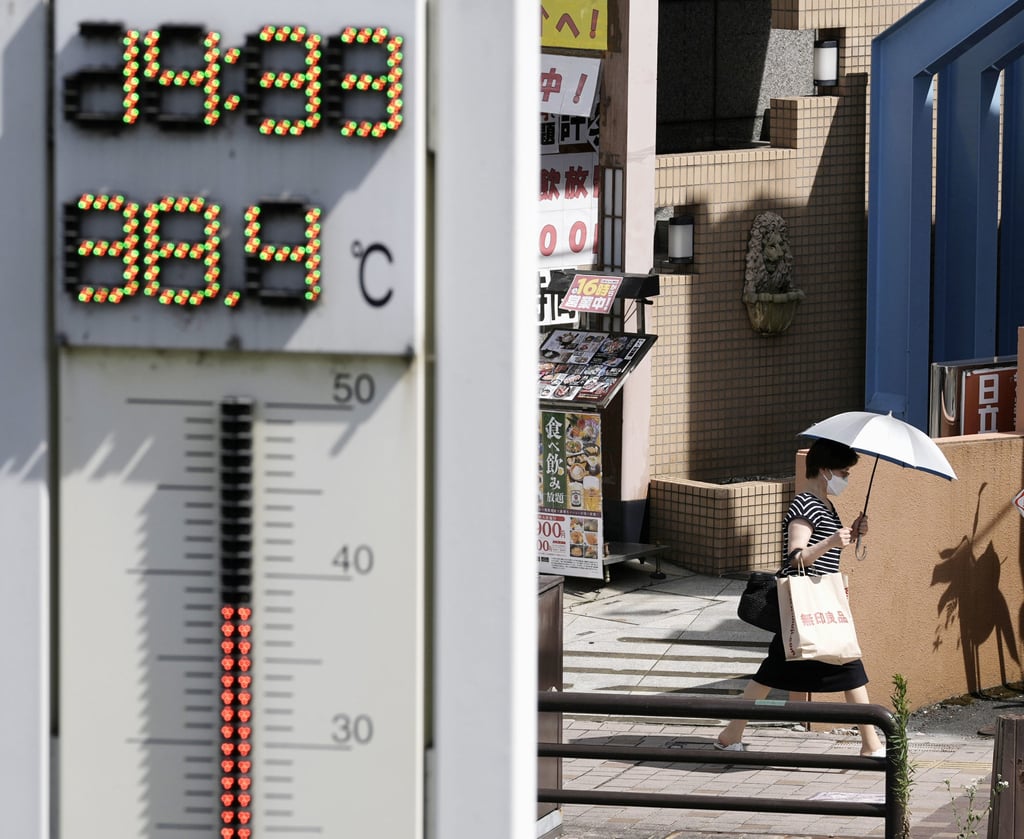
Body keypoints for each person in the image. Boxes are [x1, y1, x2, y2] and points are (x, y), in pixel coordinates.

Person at [716, 437, 884, 757]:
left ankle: (730, 733)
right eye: (842, 472)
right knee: (846, 664)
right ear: (823, 470)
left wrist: (852, 531)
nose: (845, 479)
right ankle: (870, 743)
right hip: (805, 604)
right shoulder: (805, 504)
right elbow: (796, 557)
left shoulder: (826, 506)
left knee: (778, 672)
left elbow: (823, 550)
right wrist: (833, 540)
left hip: (816, 605)